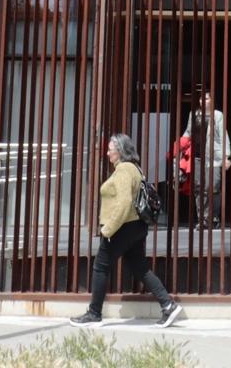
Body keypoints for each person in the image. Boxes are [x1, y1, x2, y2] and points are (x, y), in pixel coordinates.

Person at [70, 133, 182, 329]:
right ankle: (168, 305)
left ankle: (94, 313)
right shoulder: (135, 169)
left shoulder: (123, 171)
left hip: (122, 227)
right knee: (140, 267)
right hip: (137, 226)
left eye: (110, 149)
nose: (107, 153)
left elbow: (123, 203)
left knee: (101, 266)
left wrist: (108, 229)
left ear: (120, 151)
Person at [183, 91, 231, 228]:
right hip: (197, 156)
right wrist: (181, 145)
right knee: (199, 188)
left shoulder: (218, 115)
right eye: (201, 99)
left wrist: (226, 156)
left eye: (206, 98)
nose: (203, 101)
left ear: (212, 100)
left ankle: (213, 216)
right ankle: (203, 219)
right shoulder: (194, 115)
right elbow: (188, 132)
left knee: (213, 186)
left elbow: (223, 135)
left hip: (214, 157)